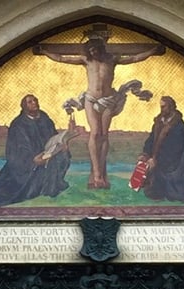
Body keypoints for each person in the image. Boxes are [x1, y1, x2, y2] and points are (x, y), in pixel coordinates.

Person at [40, 37, 162, 190]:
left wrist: (152, 51)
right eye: (90, 51)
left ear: (100, 48)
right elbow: (61, 58)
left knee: (104, 134)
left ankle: (102, 173)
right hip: (91, 99)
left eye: (95, 50)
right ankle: (97, 174)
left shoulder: (112, 59)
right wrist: (45, 51)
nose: (93, 53)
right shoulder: (86, 60)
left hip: (108, 100)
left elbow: (134, 57)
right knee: (95, 133)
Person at [0, 94, 72, 206]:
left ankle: (52, 186)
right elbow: (16, 150)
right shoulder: (18, 124)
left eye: (35, 100)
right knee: (15, 190)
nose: (34, 103)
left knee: (63, 156)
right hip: (26, 163)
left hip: (48, 154)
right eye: (30, 102)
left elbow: (54, 136)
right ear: (24, 106)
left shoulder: (44, 118)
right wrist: (32, 160)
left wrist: (62, 144)